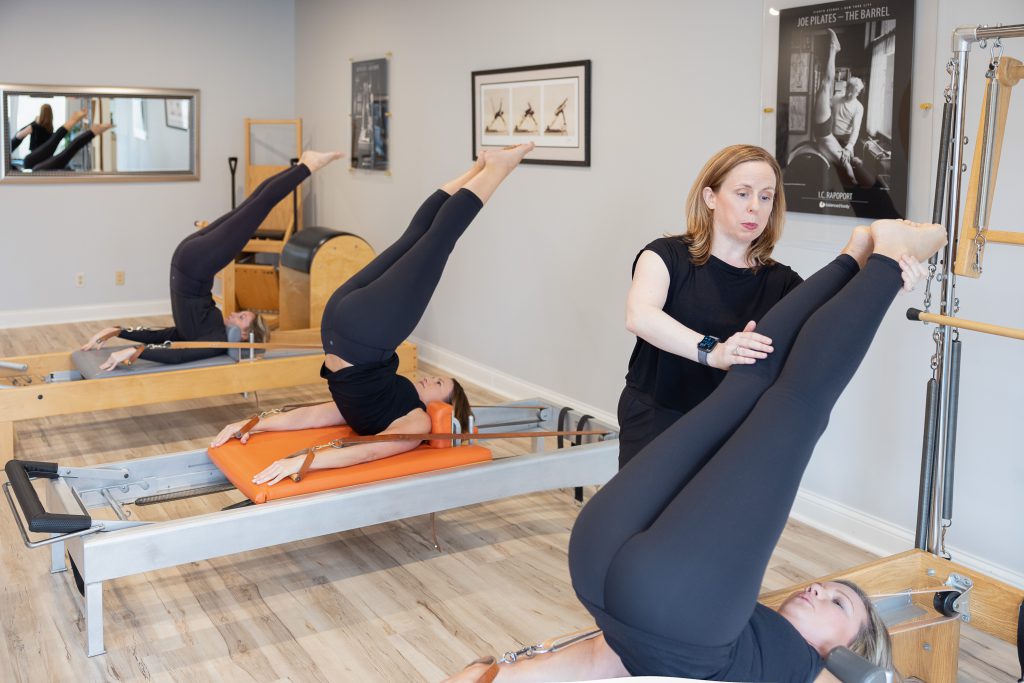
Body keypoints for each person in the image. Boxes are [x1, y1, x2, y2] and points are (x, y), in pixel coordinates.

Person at [448, 219, 944, 682]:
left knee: (796, 404)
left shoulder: (807, 668)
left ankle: (884, 259)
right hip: (609, 574)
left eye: (838, 604)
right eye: (834, 591)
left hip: (634, 586)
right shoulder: (757, 639)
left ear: (847, 655)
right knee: (750, 378)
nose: (817, 588)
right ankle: (856, 255)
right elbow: (602, 656)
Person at [210, 143, 535, 486]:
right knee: (418, 237)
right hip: (344, 325)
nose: (430, 379)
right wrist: (252, 424)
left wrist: (303, 459)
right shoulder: (384, 400)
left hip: (359, 331)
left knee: (436, 242)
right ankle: (479, 170)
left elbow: (363, 449)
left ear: (444, 407)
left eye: (439, 385)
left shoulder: (418, 421)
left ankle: (496, 168)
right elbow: (314, 415)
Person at [618, 144, 803, 469]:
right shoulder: (665, 255)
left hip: (732, 426)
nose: (755, 207)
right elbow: (640, 317)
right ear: (710, 197)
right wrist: (715, 351)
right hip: (657, 417)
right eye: (743, 194)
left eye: (766, 197)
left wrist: (877, 264)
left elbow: (833, 317)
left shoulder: (783, 282)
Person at [81, 149, 345, 370]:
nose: (235, 313)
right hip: (195, 263)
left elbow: (171, 345)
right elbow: (177, 349)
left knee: (256, 206)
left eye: (241, 317)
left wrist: (122, 334)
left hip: (189, 260)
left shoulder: (213, 340)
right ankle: (305, 166)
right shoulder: (216, 335)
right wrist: (129, 342)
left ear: (244, 334)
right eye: (242, 315)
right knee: (254, 205)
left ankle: (306, 165)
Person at [812, 30, 872, 188]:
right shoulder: (838, 96)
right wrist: (854, 180)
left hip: (840, 138)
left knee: (824, 86)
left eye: (853, 91)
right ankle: (833, 48)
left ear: (858, 92)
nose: (849, 93)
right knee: (825, 85)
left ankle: (834, 49)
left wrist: (849, 147)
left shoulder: (858, 107)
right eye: (849, 89)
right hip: (827, 131)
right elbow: (827, 104)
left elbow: (856, 130)